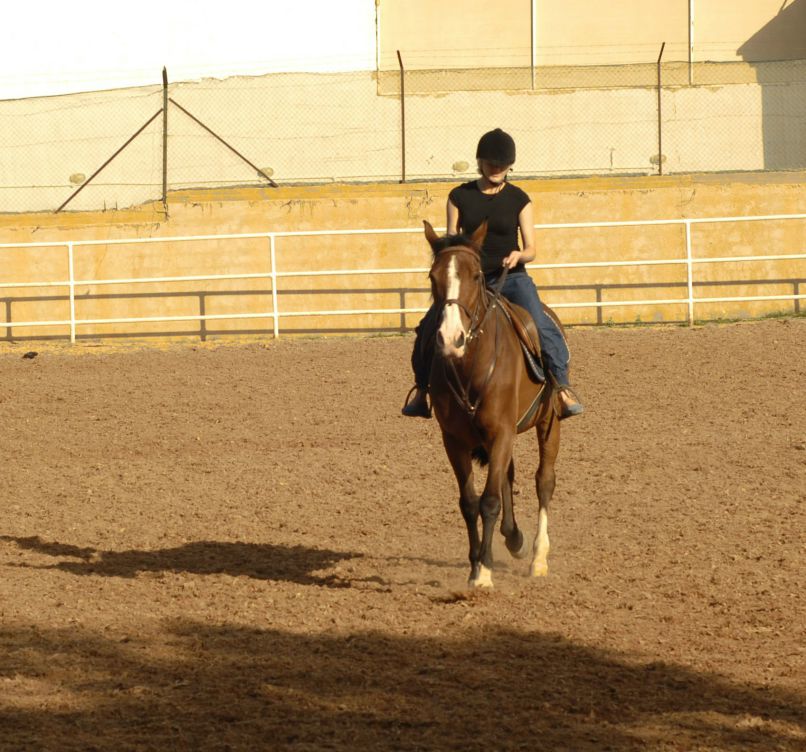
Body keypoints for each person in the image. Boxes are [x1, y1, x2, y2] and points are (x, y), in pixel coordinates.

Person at [402, 128, 584, 420]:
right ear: (480, 162)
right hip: (470, 281)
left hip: (511, 278)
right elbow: (452, 240)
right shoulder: (459, 196)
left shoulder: (519, 199)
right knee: (428, 326)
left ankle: (561, 387)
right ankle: (422, 391)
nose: (497, 168)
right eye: (491, 163)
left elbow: (532, 248)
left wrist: (518, 256)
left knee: (539, 324)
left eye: (502, 164)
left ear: (510, 165)